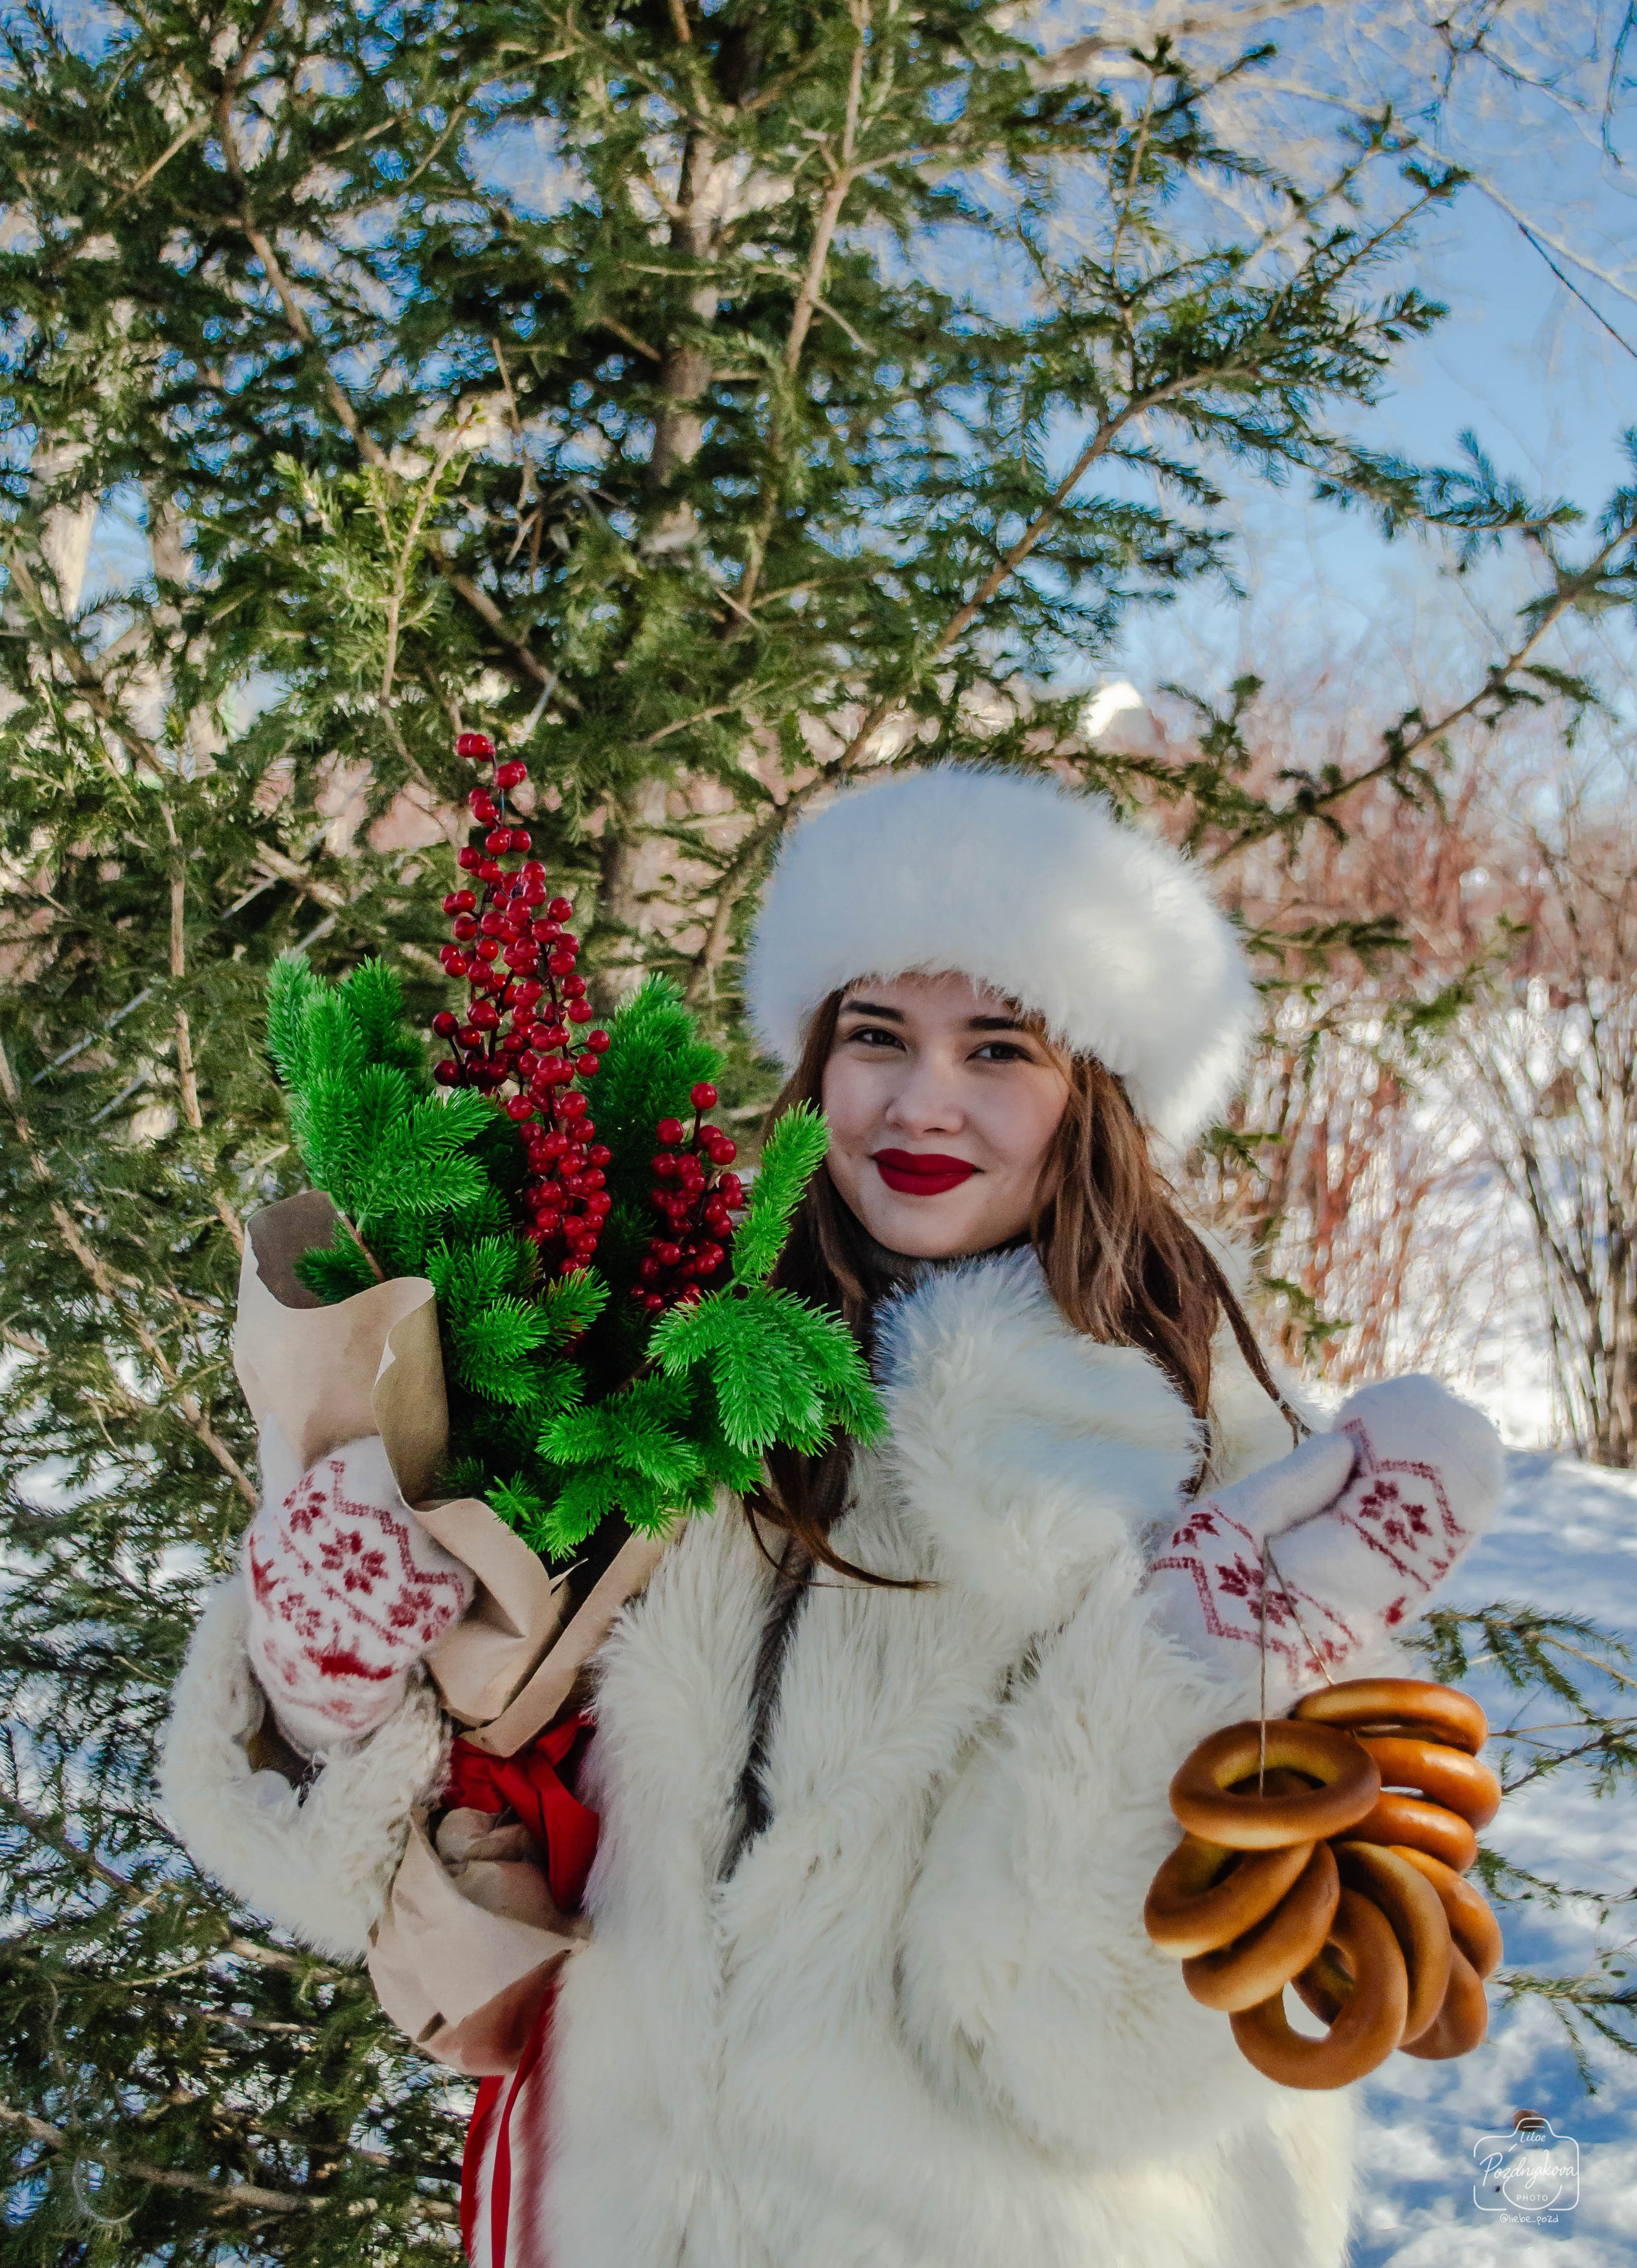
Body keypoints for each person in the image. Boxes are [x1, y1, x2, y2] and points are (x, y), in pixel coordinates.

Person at [163, 764, 1504, 2268]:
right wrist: (329, 1684)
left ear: (1098, 1094)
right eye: (877, 1034)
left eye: (996, 1047)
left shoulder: (1224, 1477)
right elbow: (400, 1860)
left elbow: (1090, 2067)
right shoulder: (675, 1368)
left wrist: (1169, 1677)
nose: (919, 1100)